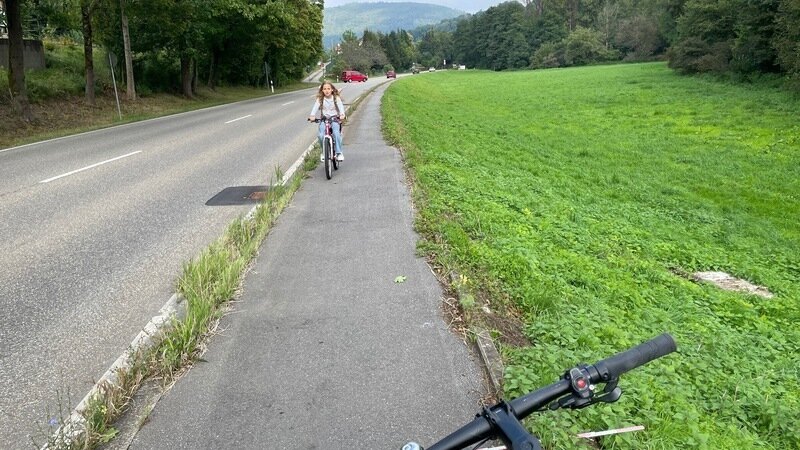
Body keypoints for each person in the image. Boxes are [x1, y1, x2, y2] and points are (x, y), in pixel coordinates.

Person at [308, 81, 346, 162]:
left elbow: (341, 107)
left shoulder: (336, 98)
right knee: (321, 135)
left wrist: (342, 114)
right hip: (324, 120)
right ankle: (323, 152)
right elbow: (315, 108)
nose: (327, 90)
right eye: (324, 89)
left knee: (336, 133)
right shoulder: (320, 99)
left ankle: (339, 153)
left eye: (328, 88)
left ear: (332, 89)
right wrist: (312, 116)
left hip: (334, 119)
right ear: (322, 90)